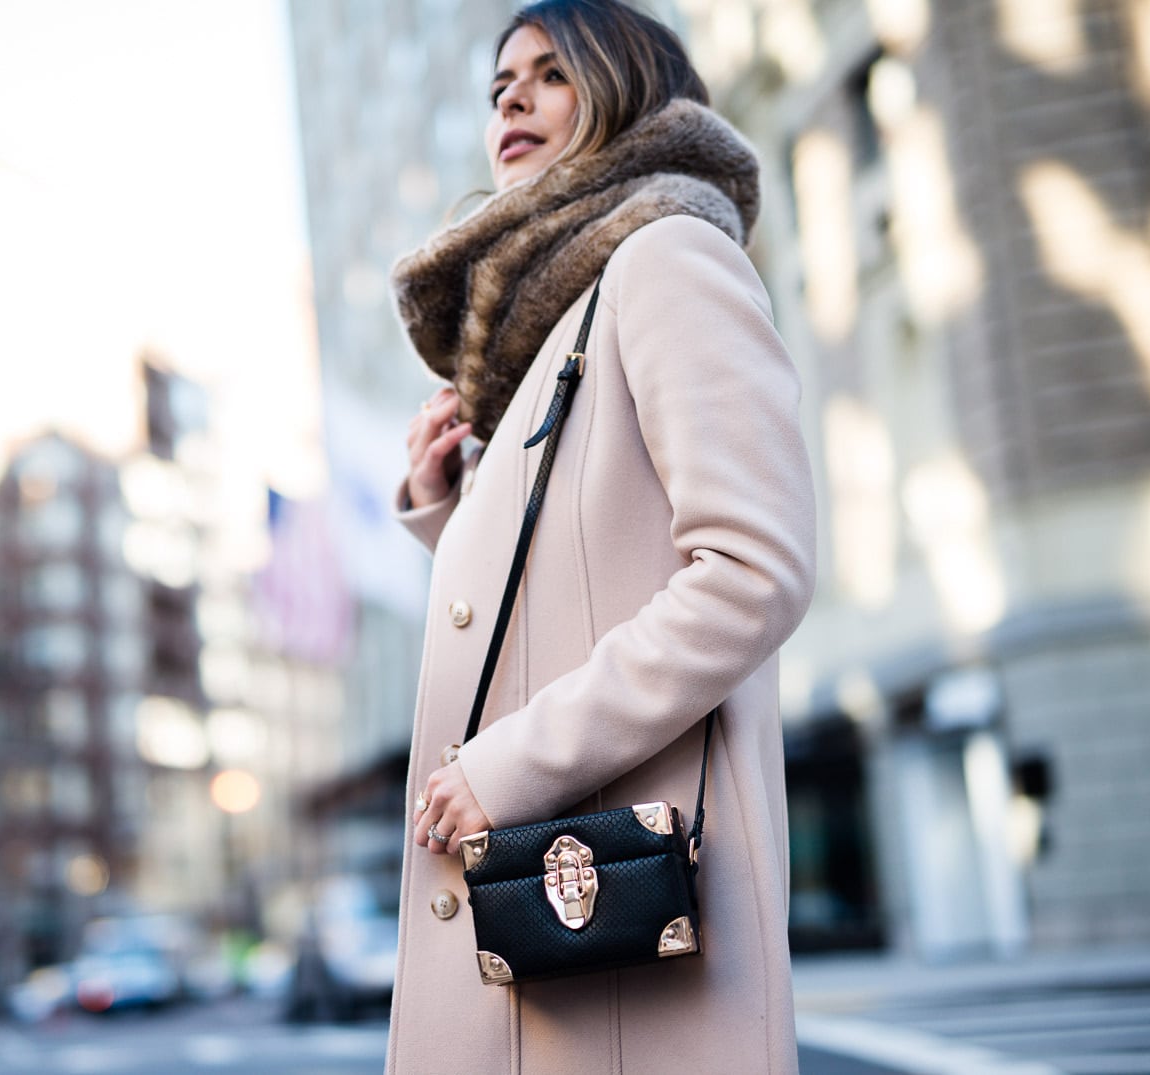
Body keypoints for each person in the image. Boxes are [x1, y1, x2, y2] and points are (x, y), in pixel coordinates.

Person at [386, 1, 816, 1071]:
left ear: (625, 89)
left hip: (620, 929)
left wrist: (511, 766)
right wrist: (450, 508)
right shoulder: (551, 333)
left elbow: (750, 573)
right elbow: (574, 597)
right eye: (496, 89)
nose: (512, 101)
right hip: (556, 941)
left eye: (550, 74)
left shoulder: (665, 259)